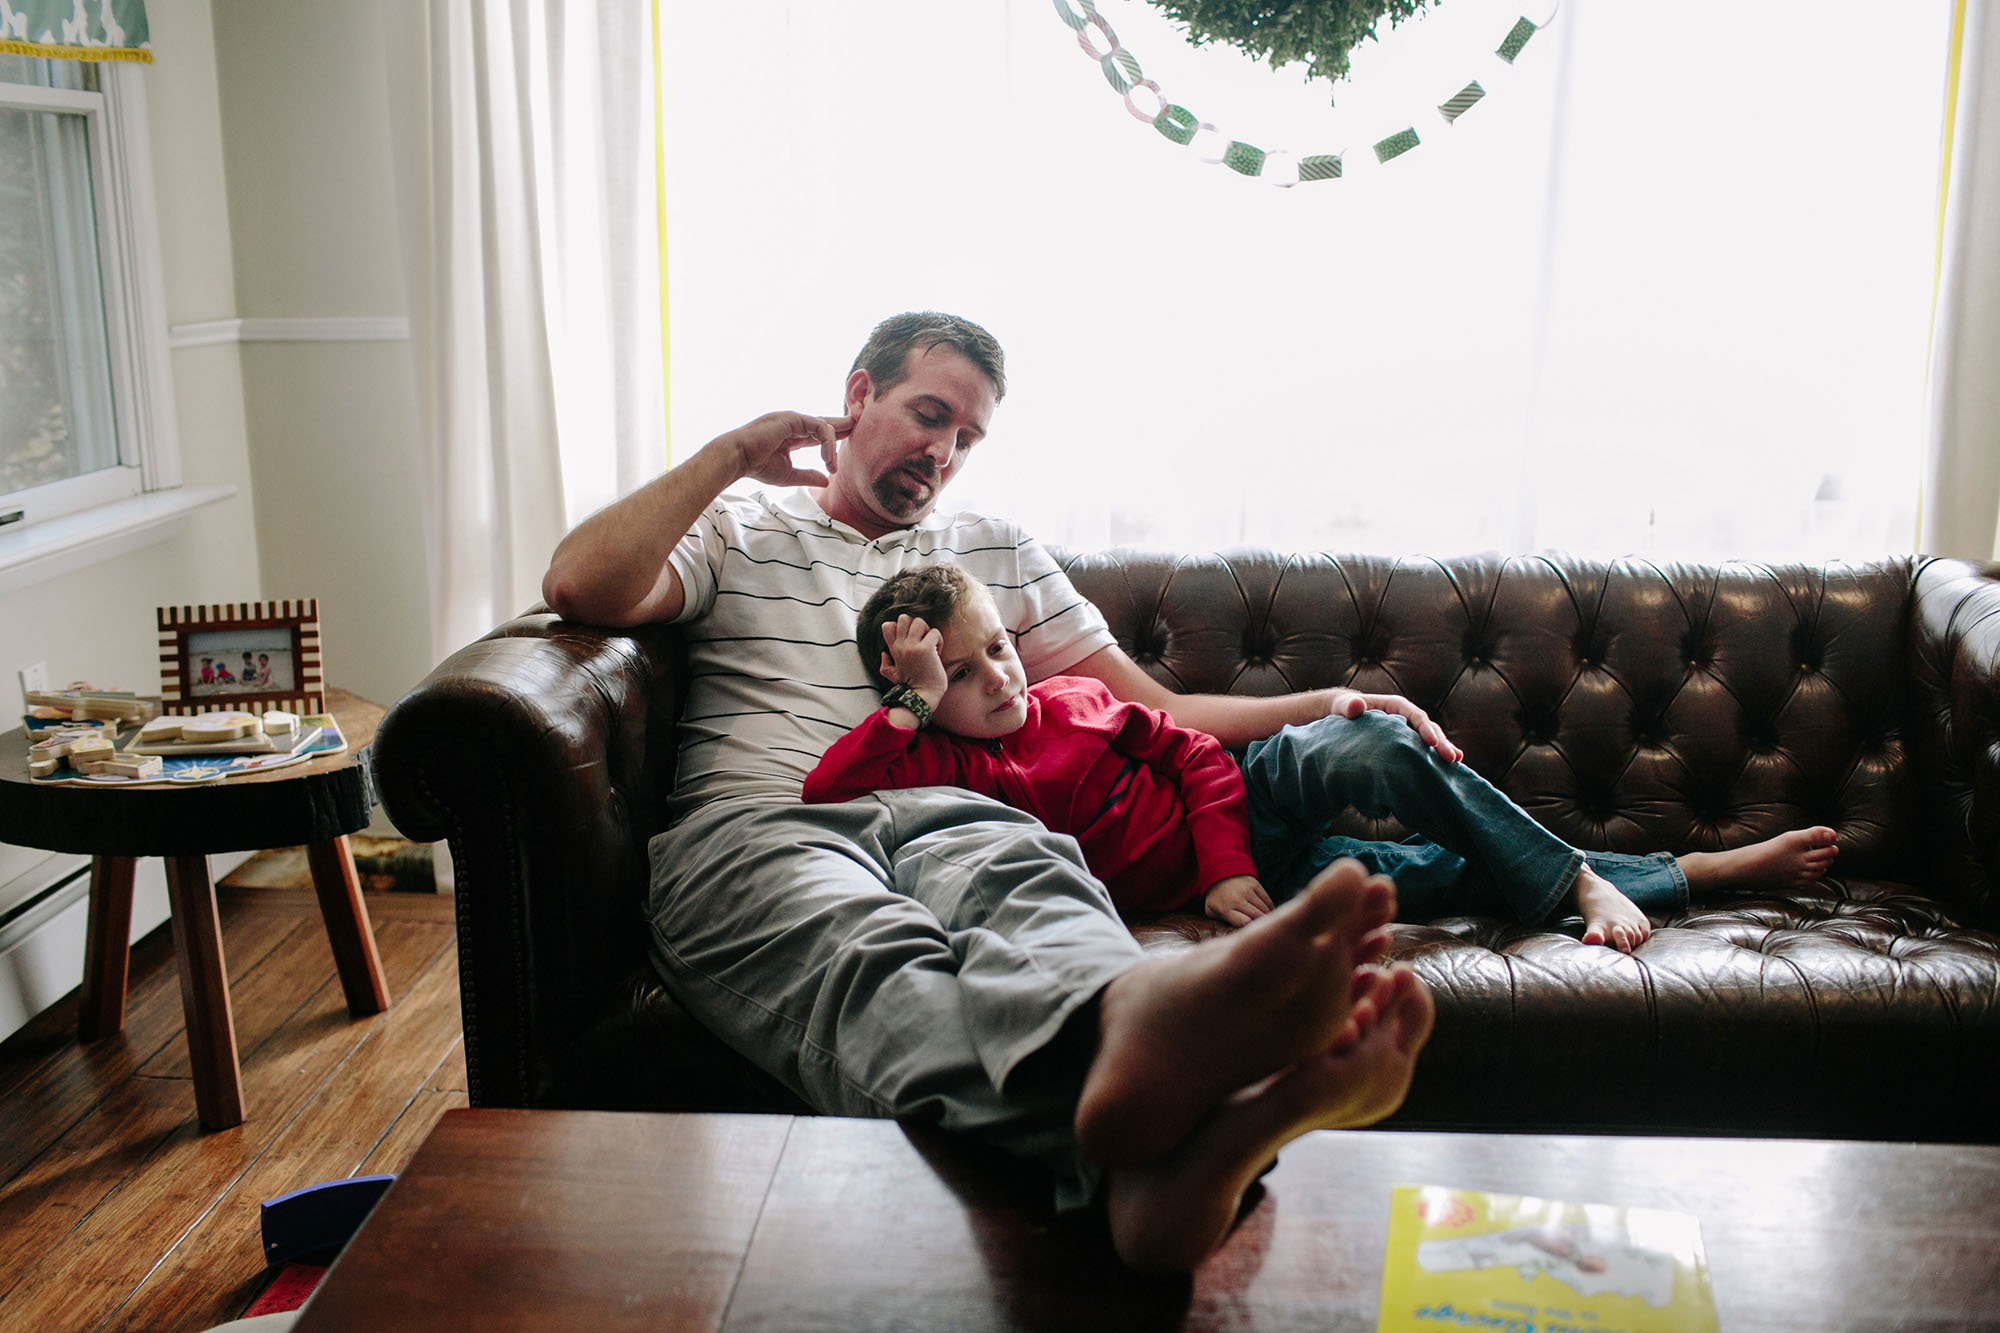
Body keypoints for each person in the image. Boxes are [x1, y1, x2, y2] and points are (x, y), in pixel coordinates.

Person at [542, 311, 1437, 1271]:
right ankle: (1164, 1162)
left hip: (951, 807)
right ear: (856, 397)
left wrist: (1331, 702)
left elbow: (1161, 710)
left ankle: (1129, 1014)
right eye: (929, 414)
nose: (943, 451)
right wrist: (735, 453)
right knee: (875, 962)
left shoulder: (993, 548)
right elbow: (578, 584)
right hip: (769, 823)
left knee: (1033, 873)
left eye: (967, 437)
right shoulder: (740, 523)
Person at [804, 564, 1842, 940]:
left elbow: (1197, 760)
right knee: (1436, 882)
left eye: (999, 649)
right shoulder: (931, 762)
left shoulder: (1076, 698)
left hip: (1242, 818)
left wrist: (1222, 873)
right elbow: (825, 791)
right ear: (919, 693)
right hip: (1271, 876)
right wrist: (908, 704)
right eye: (963, 674)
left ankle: (1571, 877)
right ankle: (1686, 874)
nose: (999, 679)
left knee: (1366, 742)